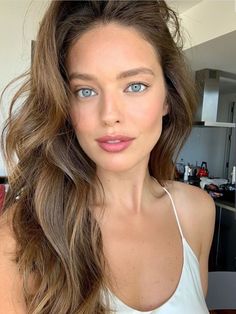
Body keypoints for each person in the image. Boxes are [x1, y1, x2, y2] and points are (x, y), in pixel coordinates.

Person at [0, 1, 215, 313]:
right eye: (85, 91)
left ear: (168, 97)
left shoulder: (198, 212)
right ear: (65, 107)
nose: (110, 115)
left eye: (135, 86)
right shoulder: (20, 235)